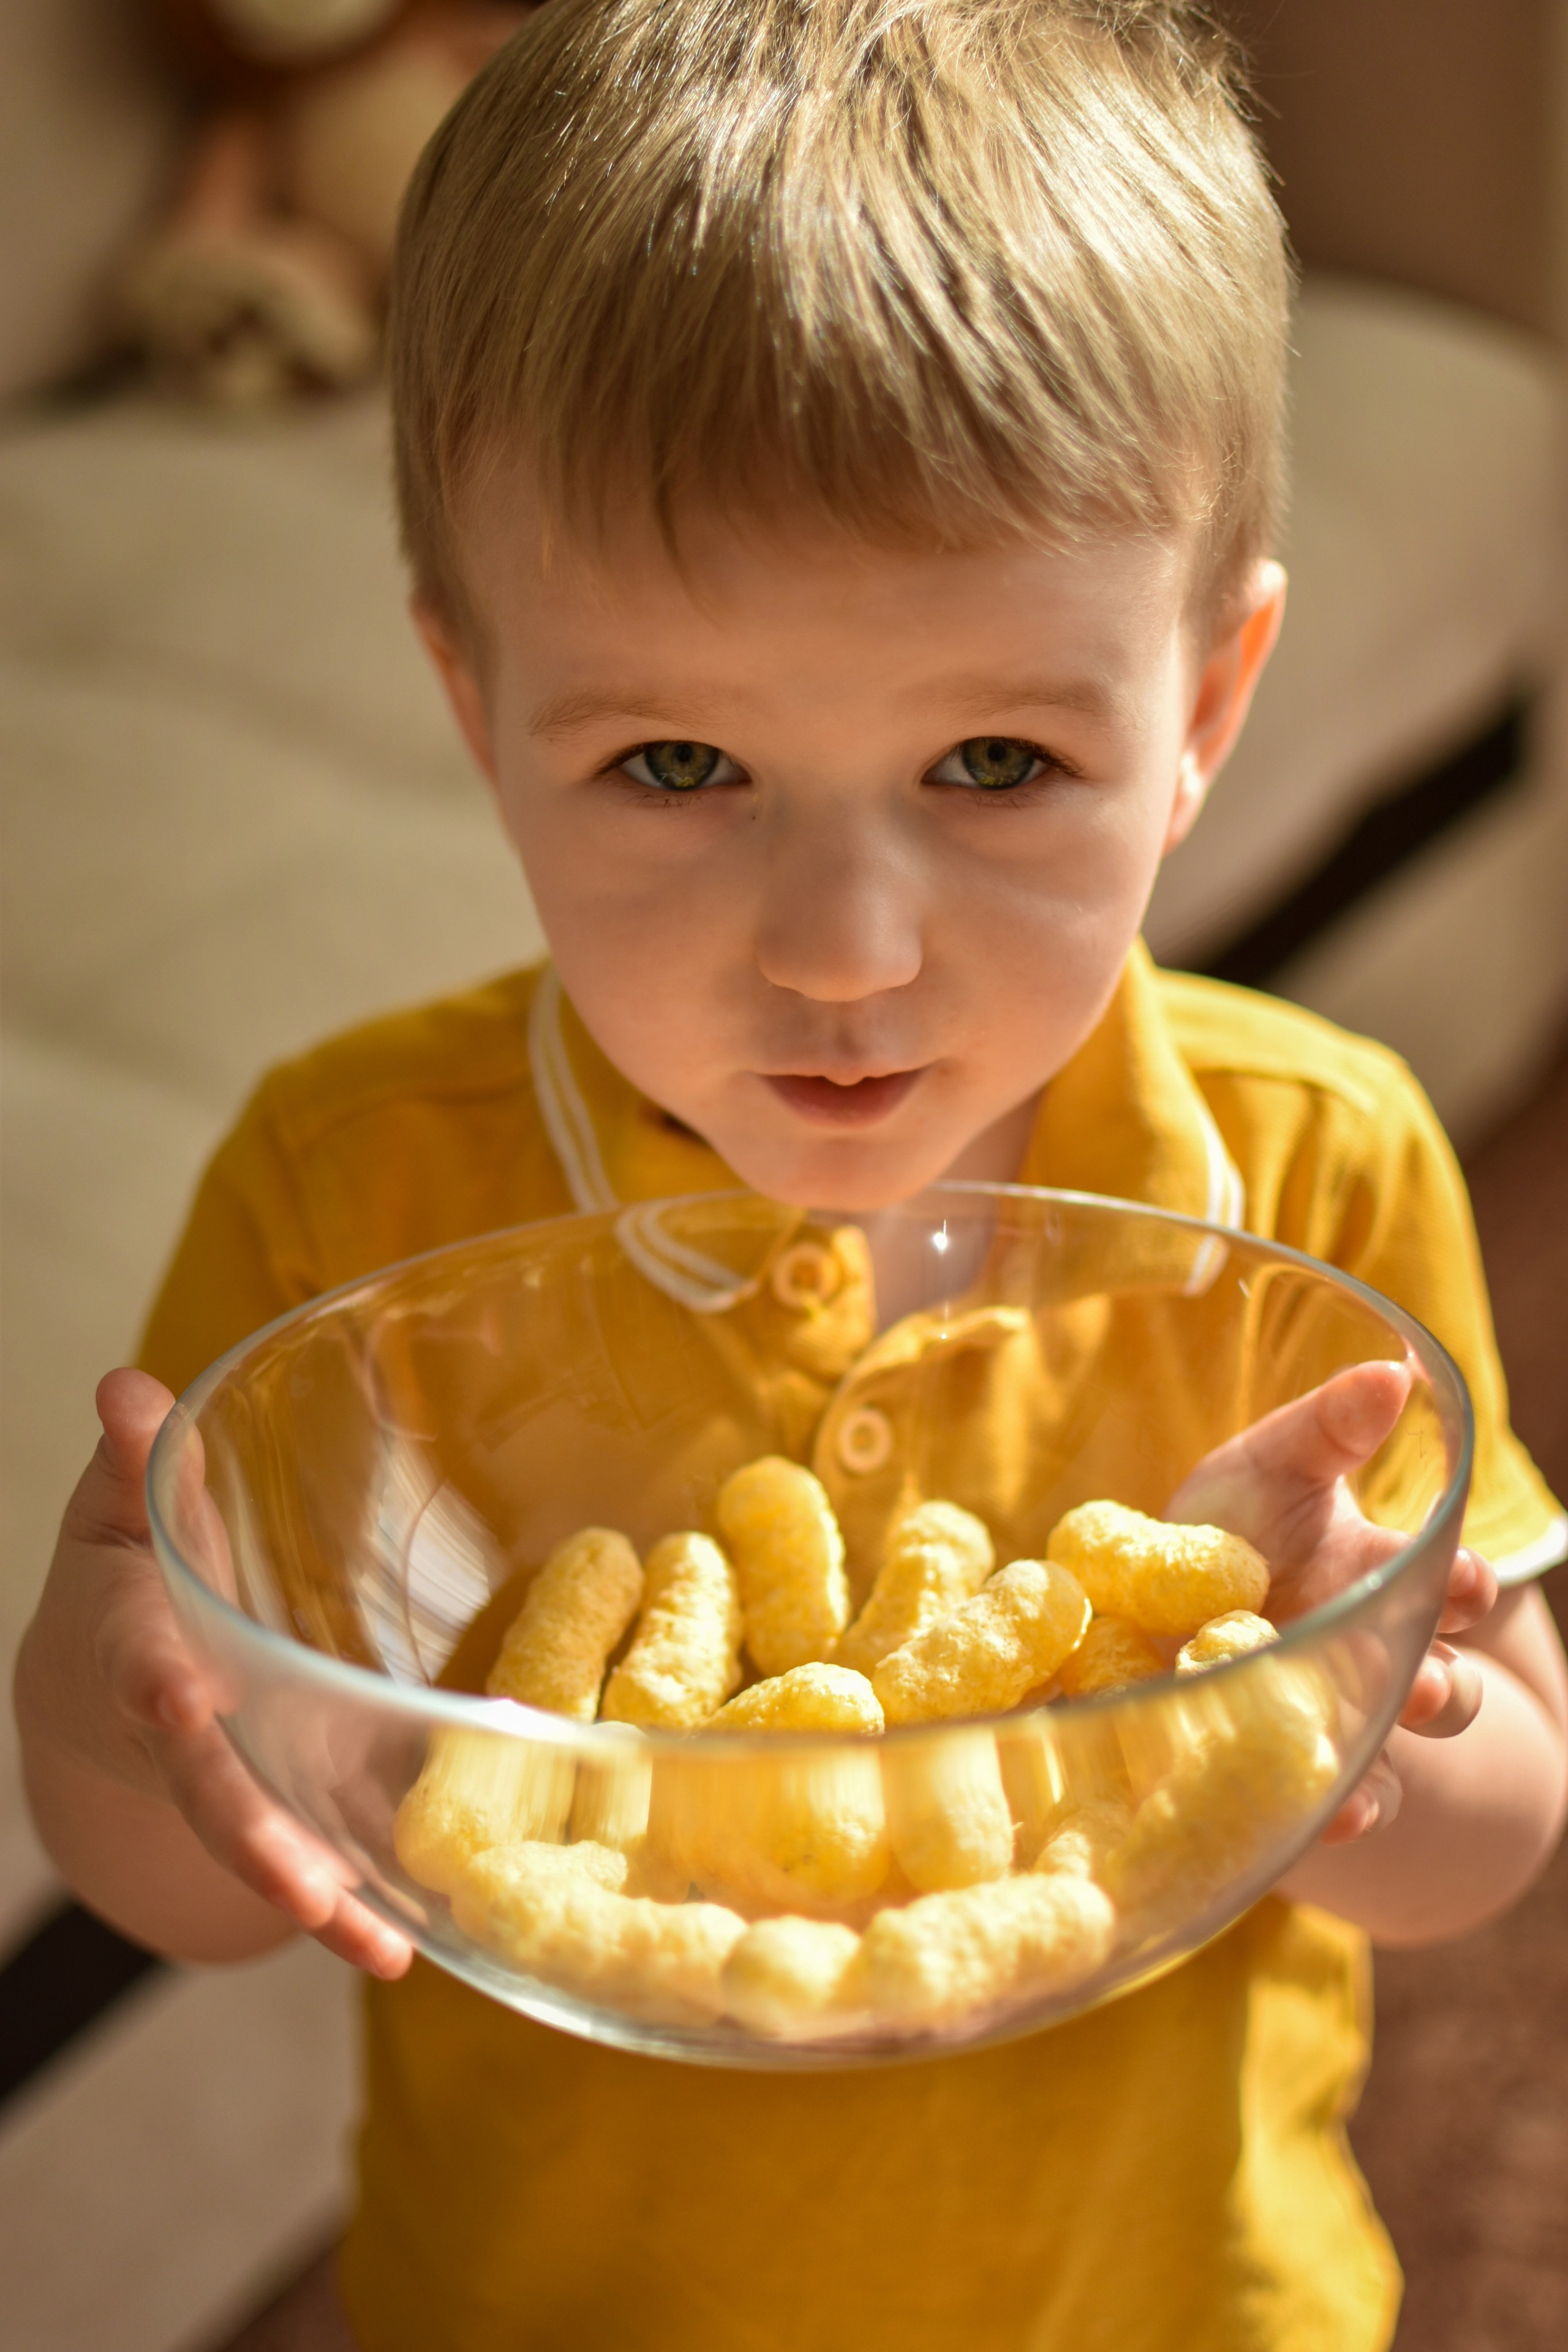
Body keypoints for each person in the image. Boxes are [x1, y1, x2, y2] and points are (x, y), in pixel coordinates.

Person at [15, 2, 1568, 2346]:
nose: (843, 952)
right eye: (671, 761)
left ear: (1206, 717)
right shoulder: (352, 1187)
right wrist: (116, 1707)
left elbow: (1500, 1839)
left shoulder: (1310, 1171)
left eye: (992, 758)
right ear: (472, 704)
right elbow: (215, 1894)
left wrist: (1361, 1707)